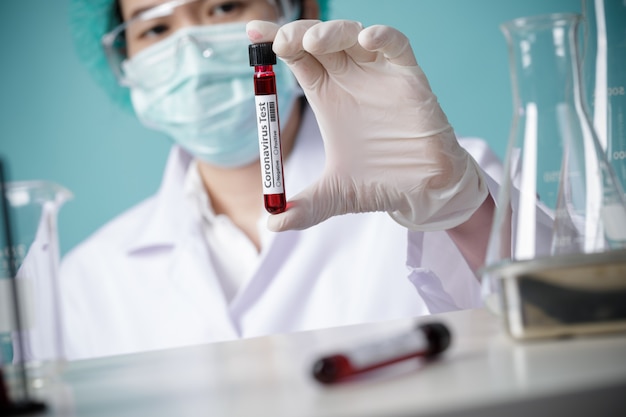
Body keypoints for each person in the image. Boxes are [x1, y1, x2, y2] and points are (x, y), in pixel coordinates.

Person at [60, 0, 503, 360]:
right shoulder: (87, 280)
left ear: (299, 12)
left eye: (222, 7)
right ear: (125, 64)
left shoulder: (442, 179)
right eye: (154, 29)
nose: (189, 49)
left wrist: (467, 214)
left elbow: (559, 321)